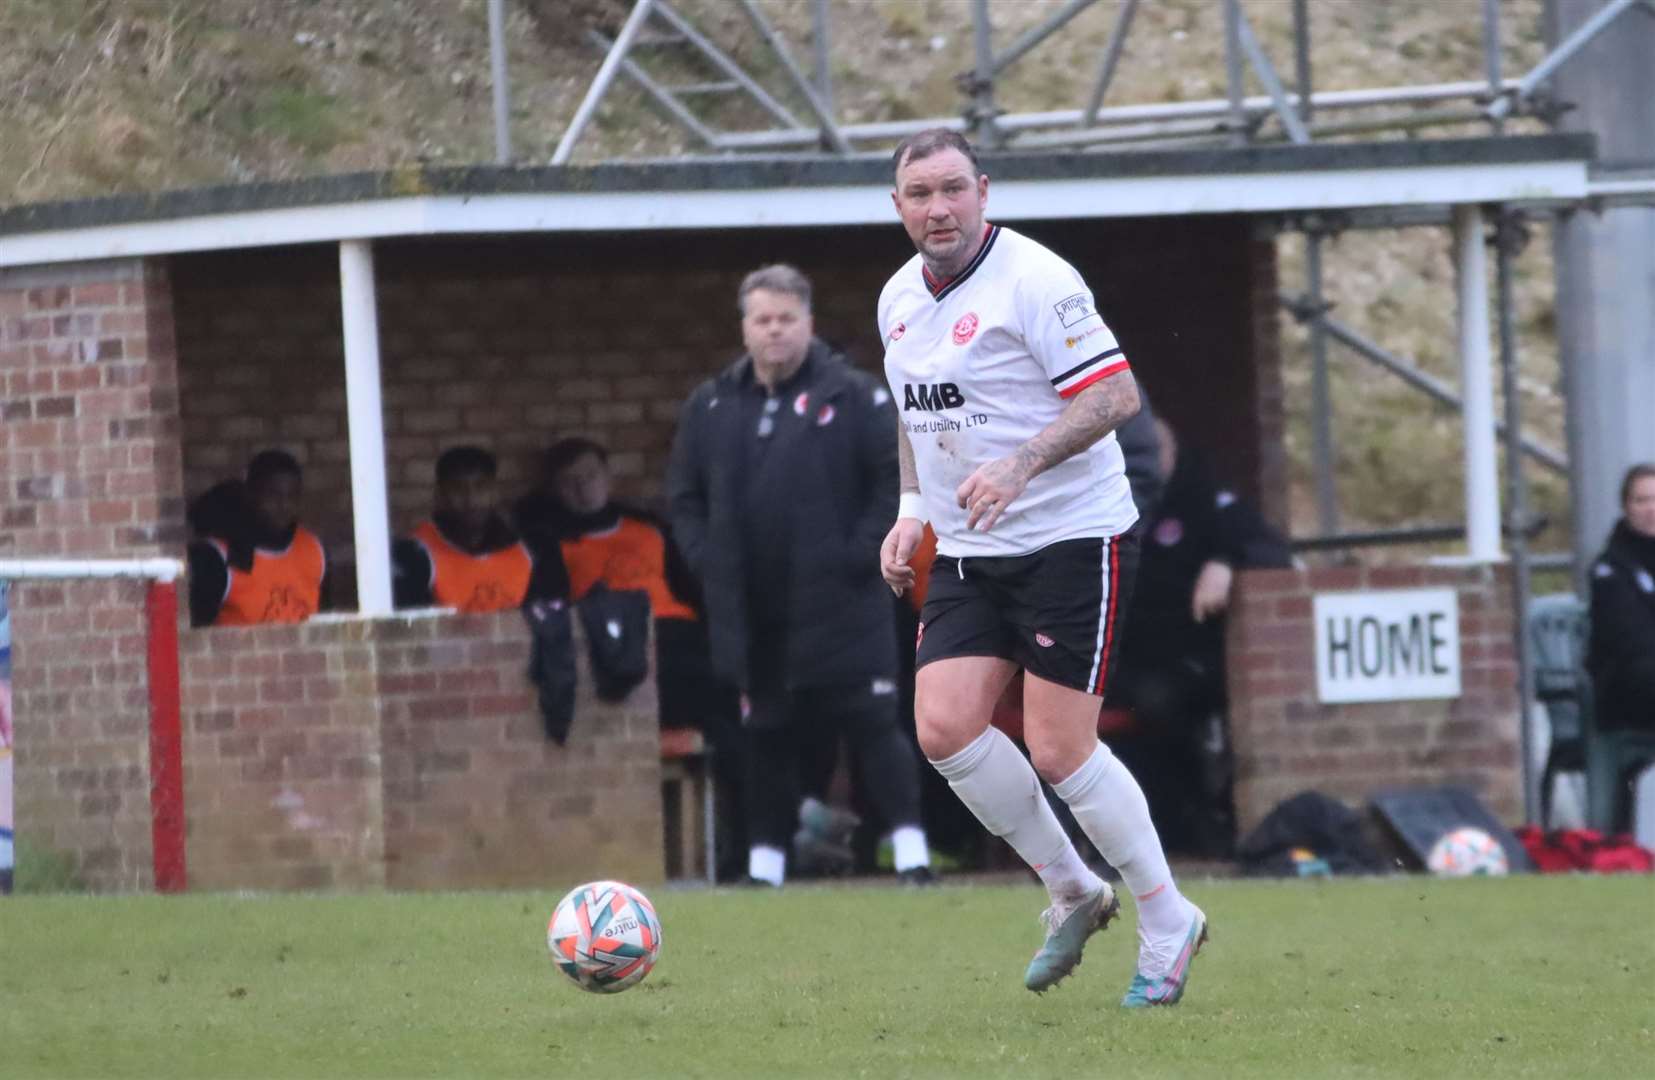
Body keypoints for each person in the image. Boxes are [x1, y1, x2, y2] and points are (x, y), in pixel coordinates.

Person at [877, 129, 1203, 1006]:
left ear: (984, 192)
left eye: (953, 189)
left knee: (1060, 747)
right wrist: (912, 512)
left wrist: (1019, 464)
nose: (938, 209)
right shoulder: (898, 298)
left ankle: (1167, 916)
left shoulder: (1038, 280)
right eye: (920, 194)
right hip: (970, 545)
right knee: (943, 728)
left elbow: (1114, 395)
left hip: (1070, 535)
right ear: (896, 205)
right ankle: (1070, 887)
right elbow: (916, 411)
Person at [666, 263, 935, 888]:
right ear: (745, 328)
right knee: (765, 734)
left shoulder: (857, 397)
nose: (775, 332)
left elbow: (893, 484)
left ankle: (913, 856)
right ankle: (767, 866)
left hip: (843, 606)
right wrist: (709, 560)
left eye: (787, 319)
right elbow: (684, 498)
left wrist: (859, 554)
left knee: (874, 728)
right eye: (763, 320)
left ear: (809, 324)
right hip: (754, 612)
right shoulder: (711, 404)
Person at [518, 437, 750, 879]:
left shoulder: (649, 528)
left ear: (608, 476)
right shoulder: (551, 543)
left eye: (589, 476)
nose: (581, 489)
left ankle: (751, 851)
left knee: (742, 732)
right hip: (629, 654)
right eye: (569, 482)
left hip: (685, 643)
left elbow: (696, 594)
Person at [1109, 417, 1292, 856]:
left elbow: (1272, 553)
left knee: (1158, 709)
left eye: (1152, 453)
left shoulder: (1206, 503)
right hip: (1121, 660)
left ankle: (1195, 830)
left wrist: (1227, 562)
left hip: (1189, 662)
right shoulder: (1109, 508)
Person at [393, 445, 567, 613]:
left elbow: (551, 623)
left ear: (495, 492)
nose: (471, 498)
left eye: (481, 486)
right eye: (457, 489)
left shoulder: (533, 547)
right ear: (440, 495)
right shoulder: (414, 552)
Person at [186, 450, 328, 628]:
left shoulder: (313, 549)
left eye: (291, 496)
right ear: (251, 495)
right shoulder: (216, 557)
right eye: (273, 495)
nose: (283, 505)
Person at [1587, 463, 1655, 739]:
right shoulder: (1610, 569)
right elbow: (1632, 640)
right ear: (1626, 507)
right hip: (1627, 689)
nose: (1652, 508)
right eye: (1642, 500)